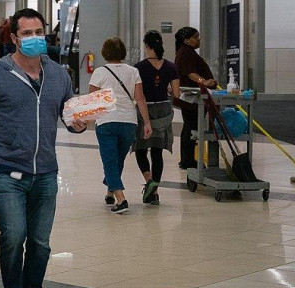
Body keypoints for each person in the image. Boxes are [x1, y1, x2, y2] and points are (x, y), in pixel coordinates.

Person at [0, 8, 87, 288]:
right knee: (14, 237)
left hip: (45, 171)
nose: (34, 38)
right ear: (15, 38)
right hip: (7, 170)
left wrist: (79, 124)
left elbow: (70, 117)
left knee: (41, 244)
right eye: (27, 33)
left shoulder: (58, 75)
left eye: (39, 32)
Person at [88, 37, 152, 214]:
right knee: (118, 159)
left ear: (104, 52)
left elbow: (93, 100)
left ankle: (121, 199)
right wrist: (146, 122)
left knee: (110, 160)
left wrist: (87, 120)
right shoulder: (133, 71)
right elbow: (140, 98)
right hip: (129, 122)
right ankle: (110, 192)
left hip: (106, 121)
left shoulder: (100, 72)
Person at [133, 31, 180, 205]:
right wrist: (165, 89)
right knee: (157, 152)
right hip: (163, 109)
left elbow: (137, 94)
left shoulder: (138, 67)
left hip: (145, 109)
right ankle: (155, 193)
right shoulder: (171, 66)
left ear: (147, 46)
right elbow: (176, 93)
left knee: (140, 149)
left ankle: (149, 181)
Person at [174, 27, 216, 170]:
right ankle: (188, 160)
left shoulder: (186, 52)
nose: (198, 39)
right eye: (195, 37)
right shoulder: (186, 53)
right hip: (192, 97)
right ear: (186, 40)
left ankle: (187, 159)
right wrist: (203, 81)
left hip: (191, 97)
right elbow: (190, 72)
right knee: (191, 128)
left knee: (189, 127)